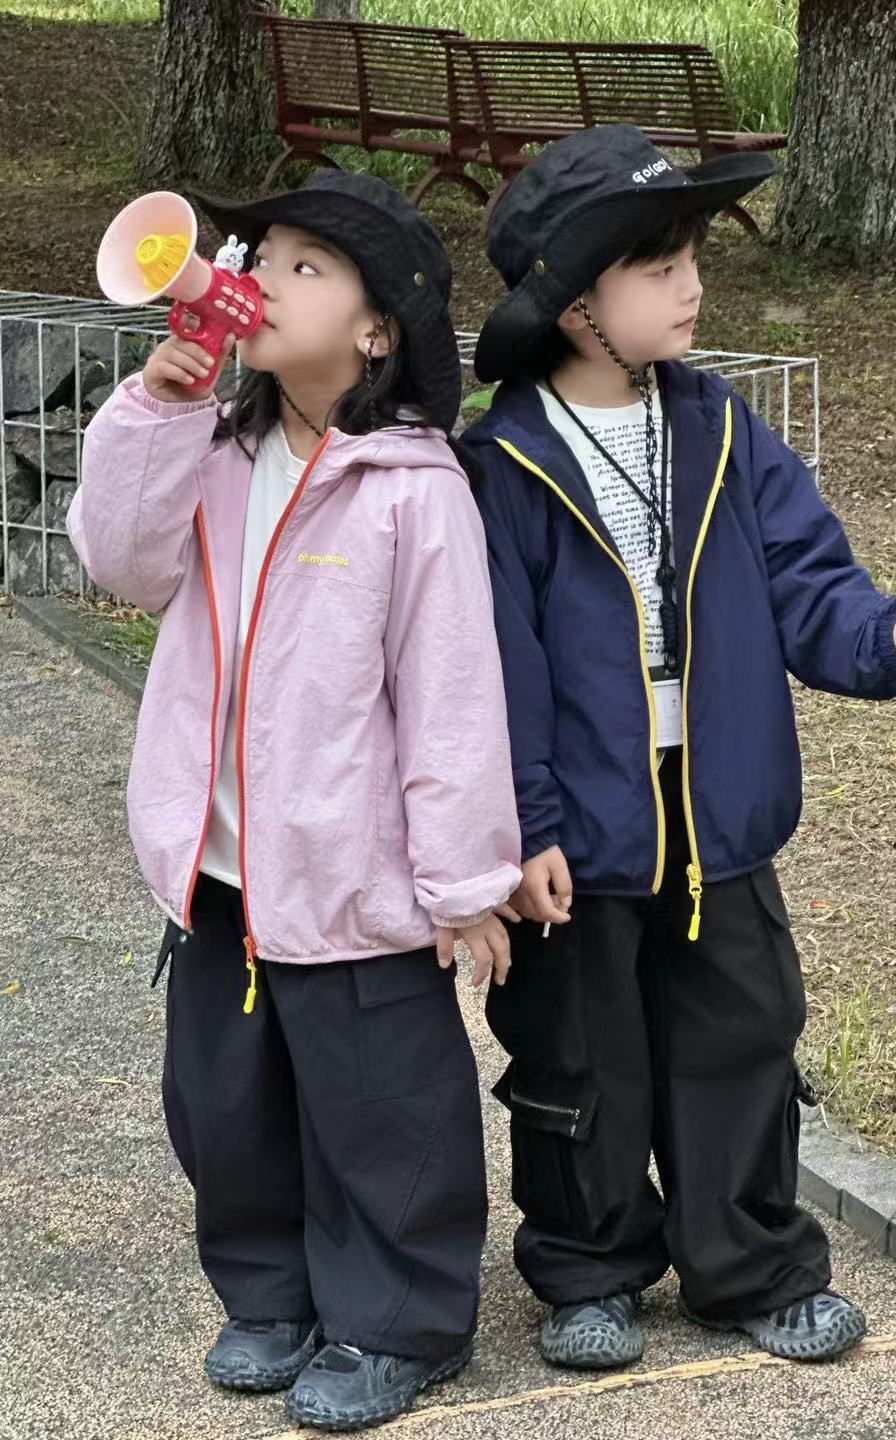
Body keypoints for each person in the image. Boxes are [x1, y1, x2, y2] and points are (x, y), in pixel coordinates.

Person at [461, 126, 896, 1371]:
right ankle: (590, 1267)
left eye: (693, 258)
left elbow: (808, 577)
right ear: (577, 306)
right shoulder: (506, 461)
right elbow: (494, 668)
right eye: (661, 267)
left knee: (741, 1039)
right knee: (578, 1054)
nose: (693, 286)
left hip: (719, 810)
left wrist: (894, 636)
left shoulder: (719, 428)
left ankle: (750, 1262)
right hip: (578, 830)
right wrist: (526, 823)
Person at [68, 170, 522, 1430]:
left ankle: (397, 1320)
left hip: (353, 879)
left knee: (384, 1115)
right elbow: (121, 562)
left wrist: (463, 882)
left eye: (305, 267)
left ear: (377, 333)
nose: (260, 278)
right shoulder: (213, 449)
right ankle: (268, 1295)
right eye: (259, 254)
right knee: (226, 1108)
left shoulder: (413, 488)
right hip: (218, 871)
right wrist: (159, 407)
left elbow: (450, 699)